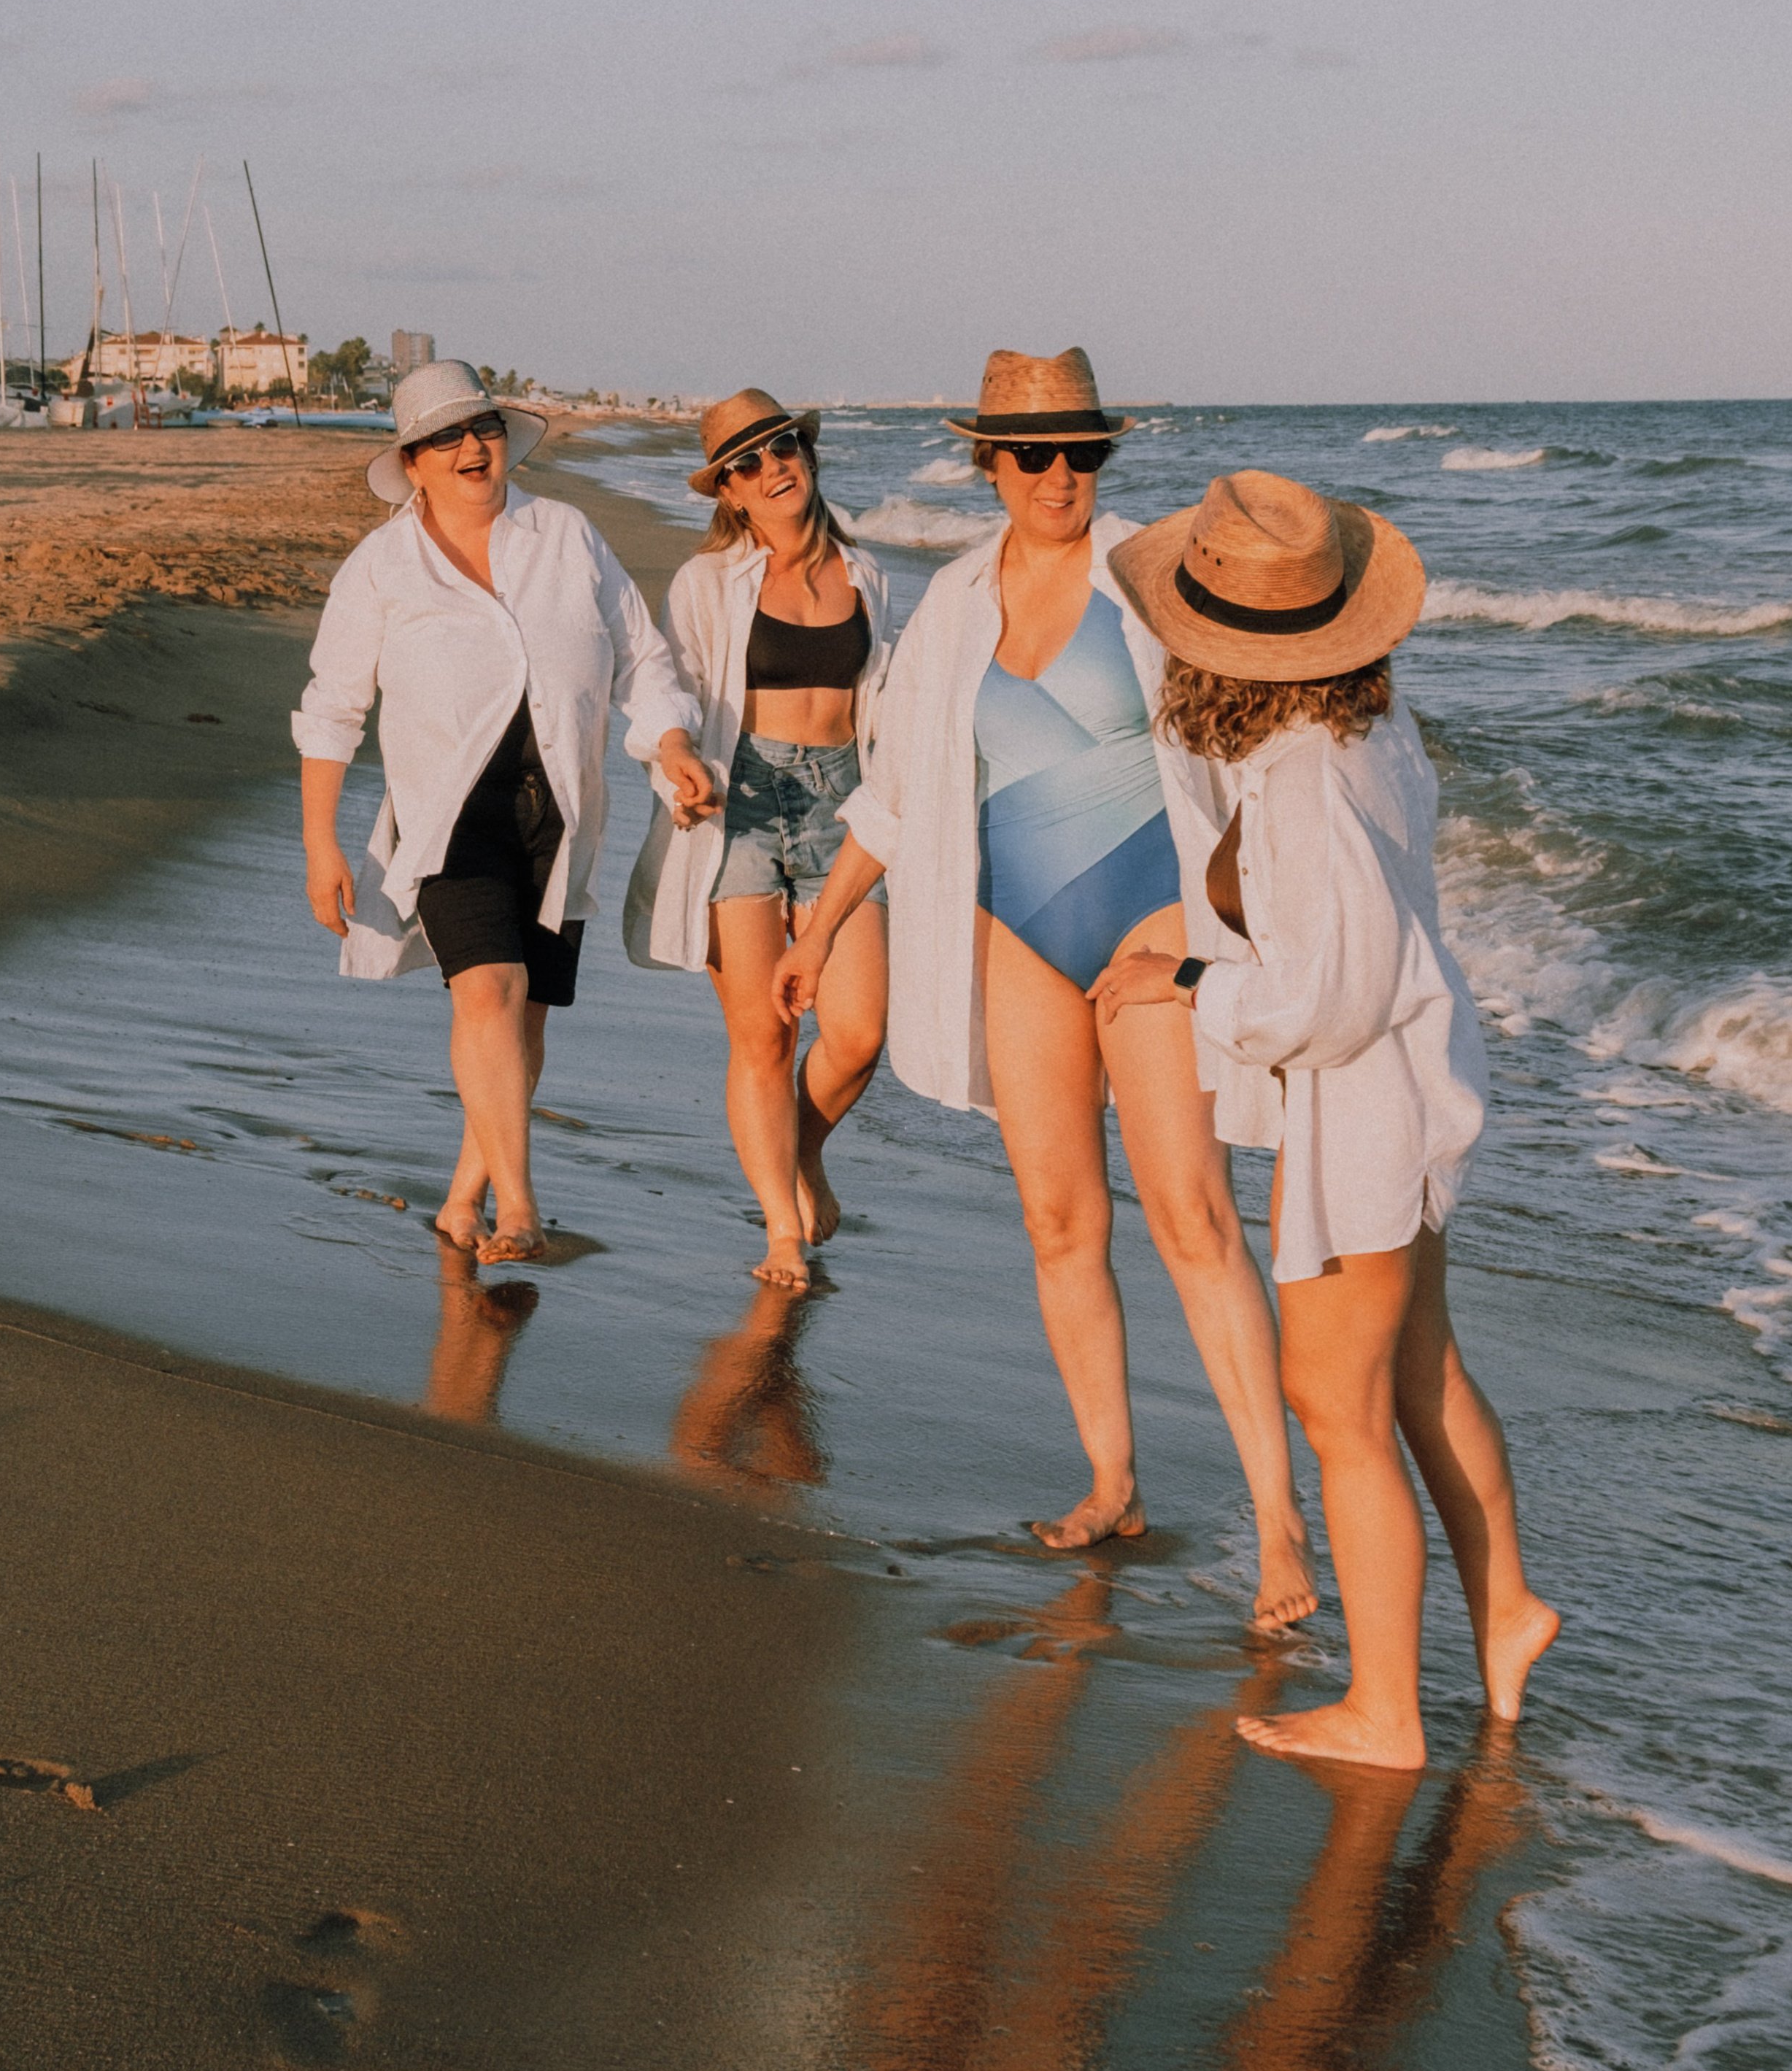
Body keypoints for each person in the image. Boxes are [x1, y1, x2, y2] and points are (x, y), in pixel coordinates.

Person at [774, 349, 1313, 1624]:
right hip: (1014, 931)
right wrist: (824, 923)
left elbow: (1262, 767)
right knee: (1060, 1221)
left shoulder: (1161, 577)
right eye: (1032, 456)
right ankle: (1111, 1479)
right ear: (989, 464)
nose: (1059, 477)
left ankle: (1283, 1527)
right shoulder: (955, 604)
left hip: (1153, 927)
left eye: (1081, 453)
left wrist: (1242, 941)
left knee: (1192, 1218)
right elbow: (899, 795)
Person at [1094, 469, 1561, 1766]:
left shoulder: (1300, 782)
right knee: (1419, 1373)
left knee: (1335, 1403)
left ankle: (1386, 1712)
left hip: (1364, 1105)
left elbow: (1326, 1001)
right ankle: (1506, 1609)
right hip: (1409, 1087)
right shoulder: (1369, 737)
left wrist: (1186, 978)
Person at [294, 358, 717, 1265]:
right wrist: (319, 841)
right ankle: (519, 1208)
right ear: (413, 462)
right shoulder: (379, 570)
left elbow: (640, 658)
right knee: (488, 989)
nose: (471, 447)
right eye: (445, 436)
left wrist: (670, 743)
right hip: (446, 814)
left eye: (480, 427)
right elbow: (331, 707)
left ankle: (461, 1200)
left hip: (558, 807)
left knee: (521, 1020)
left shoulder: (563, 533)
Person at [627, 390, 892, 1289]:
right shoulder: (709, 584)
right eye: (745, 463)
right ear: (727, 493)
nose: (771, 468)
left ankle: (799, 1149)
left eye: (781, 448)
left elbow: (887, 711)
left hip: (844, 808)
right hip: (739, 804)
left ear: (806, 456)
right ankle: (780, 1231)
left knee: (856, 1034)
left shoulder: (870, 576)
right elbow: (667, 690)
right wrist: (673, 756)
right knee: (764, 1039)